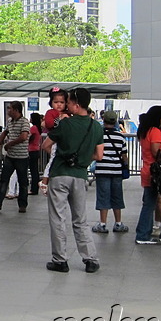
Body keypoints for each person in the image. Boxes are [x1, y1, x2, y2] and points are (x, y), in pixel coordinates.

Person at [41, 88, 103, 273]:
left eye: (68, 102)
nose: (65, 105)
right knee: (80, 219)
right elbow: (99, 155)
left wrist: (62, 155)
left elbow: (45, 145)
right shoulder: (96, 126)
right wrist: (83, 159)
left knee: (58, 218)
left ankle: (60, 260)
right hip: (80, 176)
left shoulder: (65, 124)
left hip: (60, 174)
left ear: (76, 104)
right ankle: (90, 259)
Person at [134, 105, 161, 245]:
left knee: (149, 203)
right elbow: (156, 152)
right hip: (158, 172)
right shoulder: (155, 131)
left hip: (147, 170)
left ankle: (142, 234)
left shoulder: (144, 131)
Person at [0, 101, 31, 213]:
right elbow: (5, 133)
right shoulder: (10, 122)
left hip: (21, 157)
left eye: (10, 108)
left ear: (16, 110)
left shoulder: (24, 122)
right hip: (10, 156)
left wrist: (9, 144)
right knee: (3, 179)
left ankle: (22, 204)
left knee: (23, 182)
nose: (8, 111)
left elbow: (24, 136)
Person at [91, 110, 129, 234]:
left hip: (102, 170)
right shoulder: (120, 137)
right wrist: (125, 167)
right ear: (115, 121)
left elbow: (95, 153)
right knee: (117, 196)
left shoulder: (98, 135)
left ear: (104, 120)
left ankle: (102, 224)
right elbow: (124, 156)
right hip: (116, 171)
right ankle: (118, 223)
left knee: (103, 196)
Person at [28, 113, 43, 195]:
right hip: (36, 149)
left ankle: (33, 189)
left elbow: (28, 137)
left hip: (31, 150)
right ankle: (35, 188)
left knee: (33, 170)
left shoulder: (33, 128)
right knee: (35, 171)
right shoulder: (38, 128)